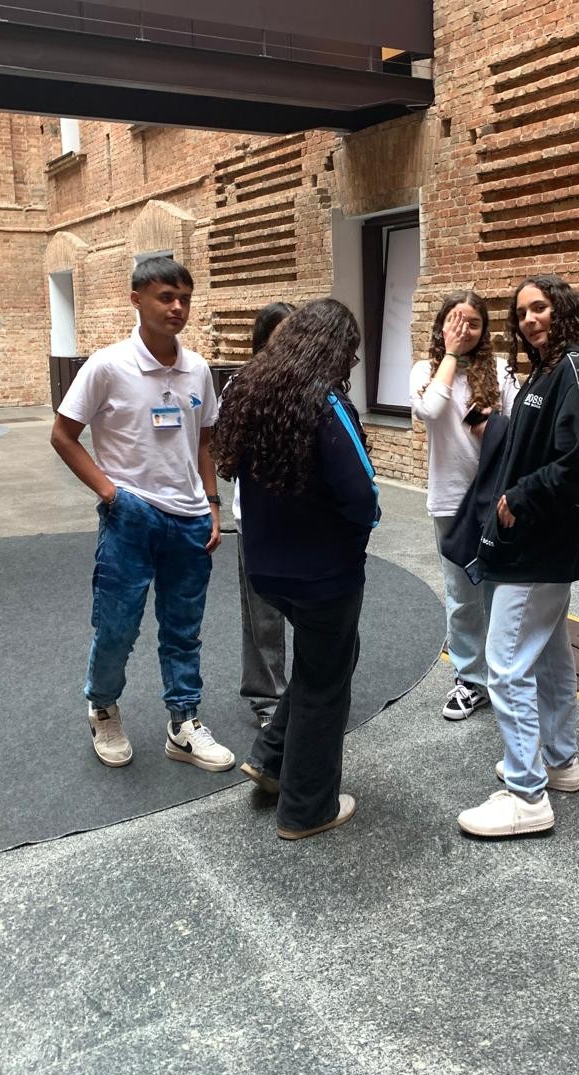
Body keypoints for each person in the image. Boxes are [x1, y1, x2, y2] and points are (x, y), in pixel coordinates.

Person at [51, 256, 234, 774]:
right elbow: (63, 436)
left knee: (183, 630)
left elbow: (204, 441)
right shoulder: (108, 365)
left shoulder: (197, 369)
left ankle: (183, 722)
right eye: (165, 297)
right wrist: (111, 493)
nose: (177, 308)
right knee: (116, 627)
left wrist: (212, 503)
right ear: (137, 300)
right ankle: (103, 708)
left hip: (190, 519)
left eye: (184, 299)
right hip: (130, 517)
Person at [455, 274, 579, 839]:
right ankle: (558, 761)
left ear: (562, 309)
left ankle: (527, 795)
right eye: (522, 312)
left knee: (504, 666)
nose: (530, 319)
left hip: (541, 542)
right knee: (548, 658)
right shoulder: (547, 369)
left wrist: (522, 497)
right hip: (532, 539)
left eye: (541, 307)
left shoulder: (573, 365)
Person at [213, 298, 380, 841]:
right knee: (325, 683)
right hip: (324, 574)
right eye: (350, 350)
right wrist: (363, 527)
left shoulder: (252, 392)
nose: (351, 362)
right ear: (332, 348)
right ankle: (307, 809)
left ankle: (269, 759)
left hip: (268, 569)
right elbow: (361, 491)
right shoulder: (326, 402)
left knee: (323, 661)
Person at [410, 291, 518, 721]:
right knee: (461, 595)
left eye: (473, 322)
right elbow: (429, 410)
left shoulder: (502, 370)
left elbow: (518, 432)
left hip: (495, 497)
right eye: (455, 321)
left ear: (485, 329)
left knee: (499, 592)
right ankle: (470, 679)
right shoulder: (426, 371)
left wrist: (492, 426)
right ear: (441, 326)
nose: (464, 329)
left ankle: (502, 676)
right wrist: (451, 355)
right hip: (450, 500)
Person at [233, 301, 295, 728]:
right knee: (261, 614)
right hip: (257, 520)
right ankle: (268, 697)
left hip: (306, 522)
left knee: (310, 610)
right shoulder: (241, 387)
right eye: (280, 336)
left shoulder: (314, 386)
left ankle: (308, 691)